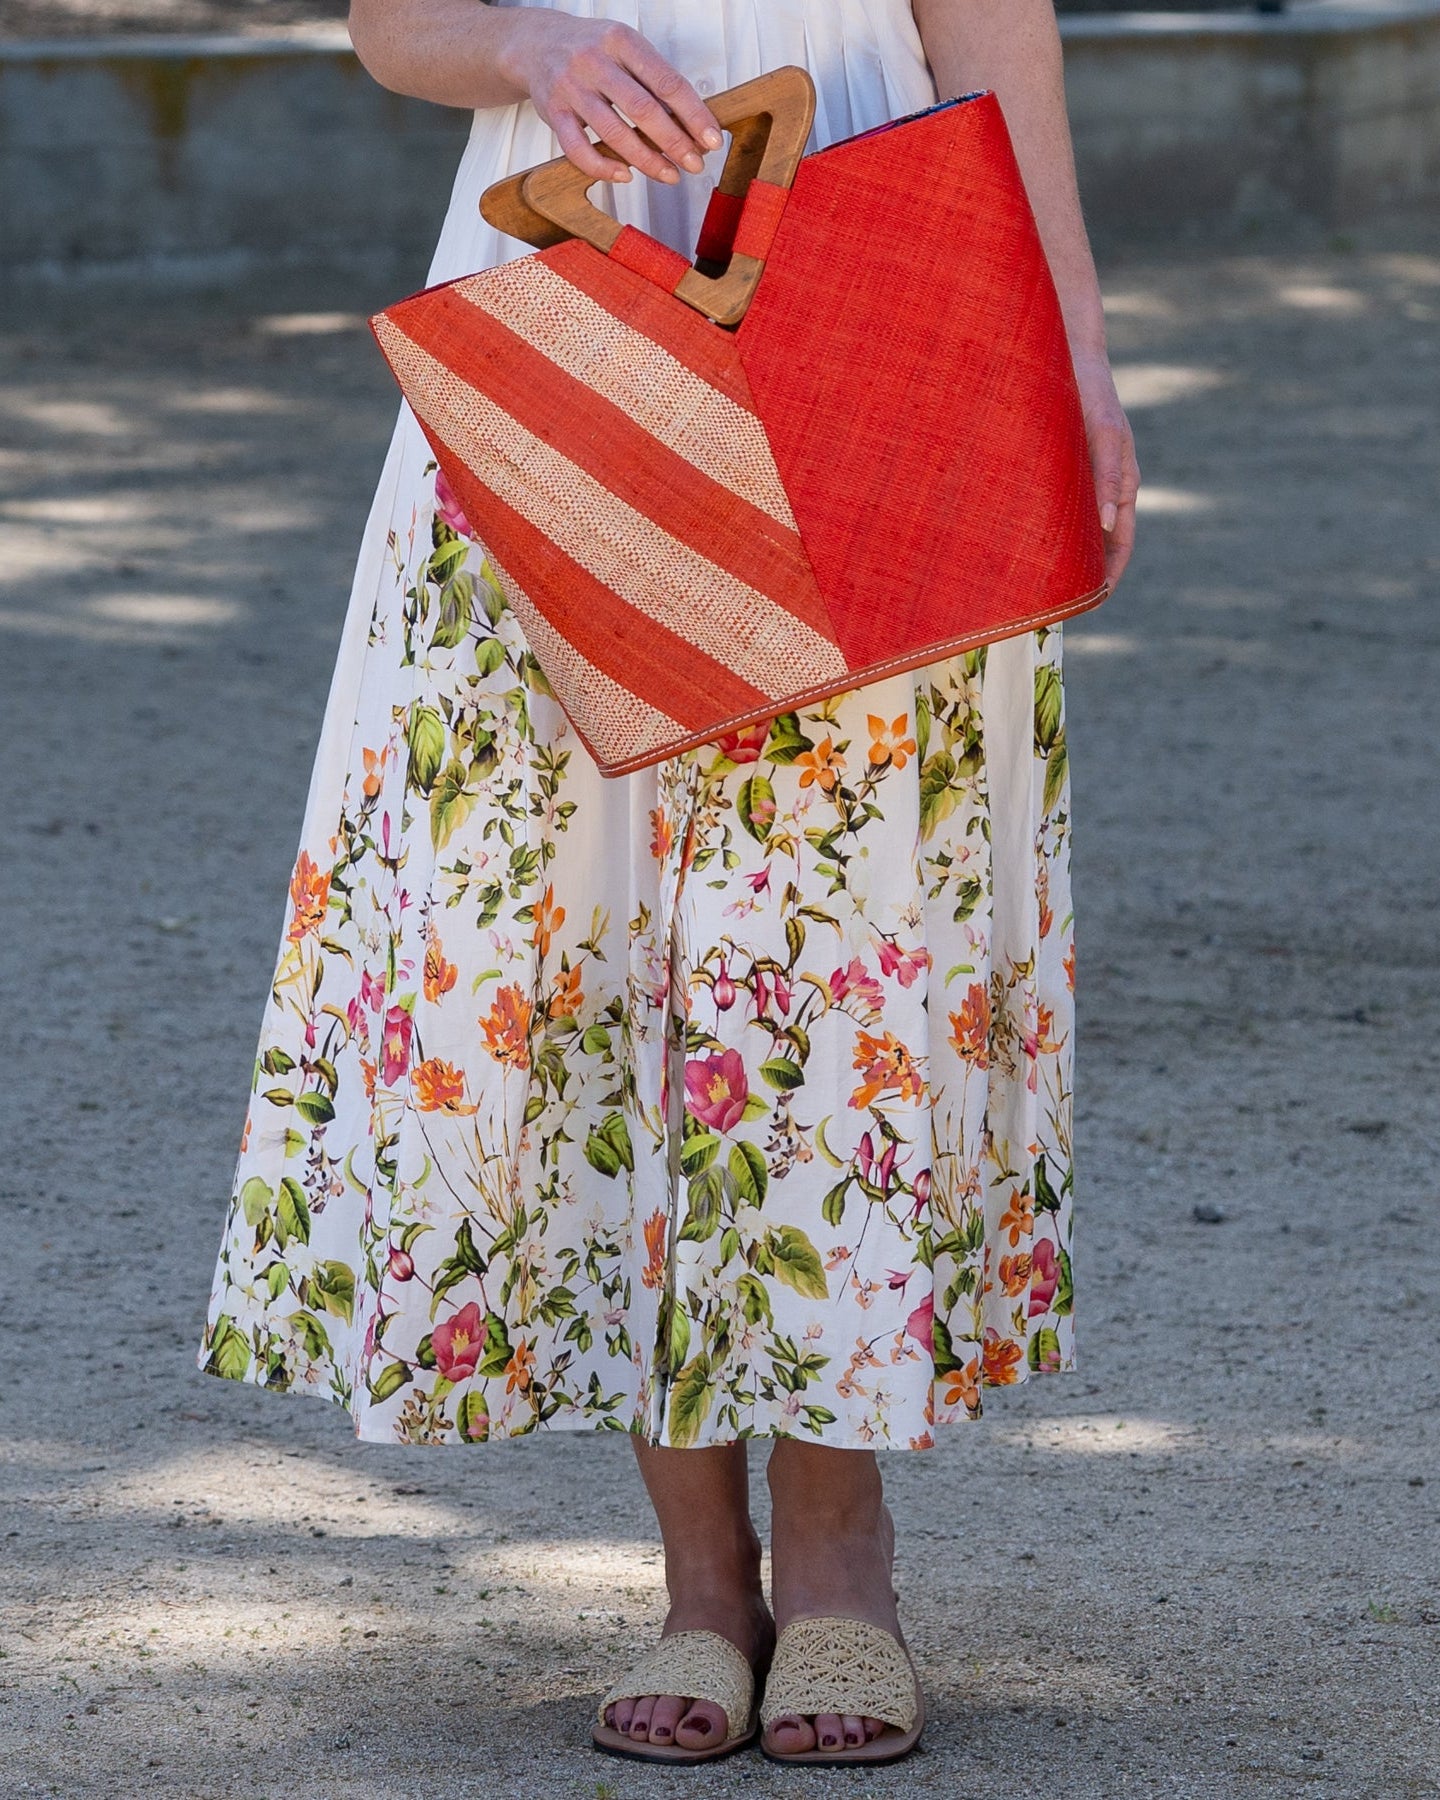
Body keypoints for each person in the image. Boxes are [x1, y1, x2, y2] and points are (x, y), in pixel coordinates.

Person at [199, 0, 1139, 1768]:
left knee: (847, 944)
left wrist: (1072, 338)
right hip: (574, 294)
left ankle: (844, 1556)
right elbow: (398, 27)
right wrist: (534, 49)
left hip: (877, 257)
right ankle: (701, 1579)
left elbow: (1000, 28)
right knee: (596, 935)